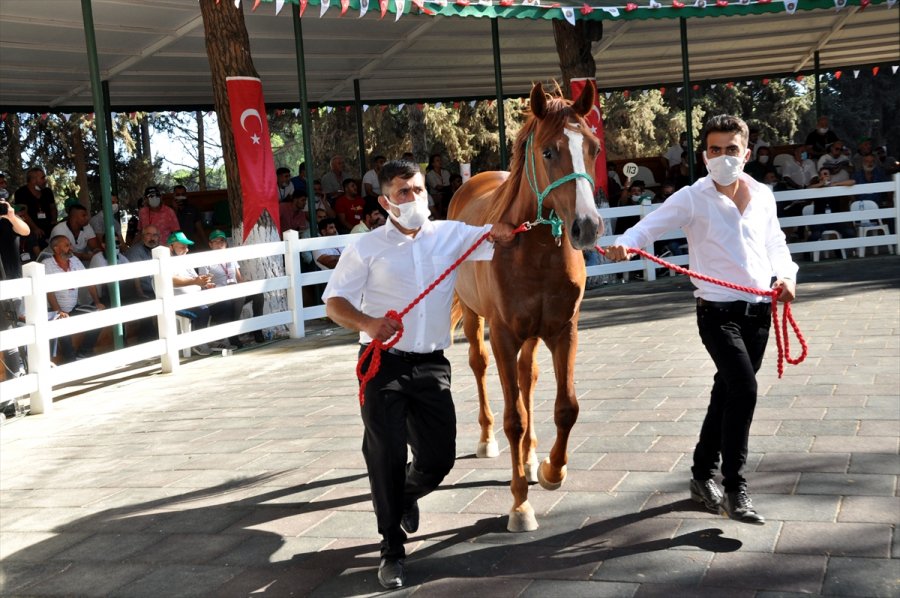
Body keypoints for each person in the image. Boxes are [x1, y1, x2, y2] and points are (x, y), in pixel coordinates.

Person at [322, 160, 514, 589]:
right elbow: (334, 303)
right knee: (386, 456)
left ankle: (404, 496)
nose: (413, 198)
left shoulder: (451, 236)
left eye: (419, 189)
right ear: (385, 200)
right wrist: (368, 323)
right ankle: (391, 549)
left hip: (431, 365)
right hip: (382, 365)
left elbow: (498, 234)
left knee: (438, 459)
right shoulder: (366, 247)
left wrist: (508, 230)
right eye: (403, 192)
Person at [605, 114, 798, 526]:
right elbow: (648, 227)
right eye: (715, 150)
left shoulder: (763, 194)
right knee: (743, 390)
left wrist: (786, 276)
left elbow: (775, 243)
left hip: (759, 313)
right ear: (704, 154)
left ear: (746, 153)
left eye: (731, 150)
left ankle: (700, 475)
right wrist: (624, 245)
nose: (723, 157)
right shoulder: (693, 197)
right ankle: (735, 487)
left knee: (725, 394)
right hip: (717, 314)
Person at [199, 230, 266, 348]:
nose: (219, 244)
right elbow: (204, 284)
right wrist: (215, 287)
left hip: (235, 291)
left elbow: (239, 278)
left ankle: (257, 329)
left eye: (222, 241)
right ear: (210, 244)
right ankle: (233, 335)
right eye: (215, 242)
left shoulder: (231, 257)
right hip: (219, 296)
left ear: (226, 243)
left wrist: (246, 283)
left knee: (258, 293)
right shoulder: (205, 260)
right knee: (239, 297)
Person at [44, 235, 105, 362]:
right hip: (52, 310)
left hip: (72, 307)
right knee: (61, 323)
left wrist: (97, 302)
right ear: (56, 248)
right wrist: (58, 311)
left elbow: (88, 281)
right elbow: (48, 292)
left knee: (99, 315)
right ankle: (69, 359)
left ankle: (84, 352)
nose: (70, 248)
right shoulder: (47, 264)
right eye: (67, 245)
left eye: (70, 244)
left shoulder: (75, 260)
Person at [165, 231, 213, 356]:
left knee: (223, 304)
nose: (186, 250)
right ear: (171, 247)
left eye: (187, 247)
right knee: (203, 309)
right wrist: (195, 281)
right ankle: (197, 343)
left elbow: (195, 279)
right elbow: (171, 279)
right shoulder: (166, 262)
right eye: (182, 247)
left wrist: (204, 283)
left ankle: (215, 339)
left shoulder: (185, 261)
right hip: (179, 303)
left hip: (195, 298)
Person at [0, 195, 30, 380]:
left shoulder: (8, 220)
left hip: (12, 282)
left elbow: (25, 231)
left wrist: (10, 216)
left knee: (13, 332)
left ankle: (16, 383)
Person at [124, 225, 161, 343]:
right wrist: (140, 293)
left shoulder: (160, 250)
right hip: (141, 291)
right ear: (142, 236)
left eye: (155, 235)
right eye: (148, 234)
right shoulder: (135, 251)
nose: (152, 238)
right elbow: (135, 277)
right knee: (148, 306)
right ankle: (147, 341)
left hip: (157, 289)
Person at [14, 167, 57, 254]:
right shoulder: (21, 192)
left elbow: (52, 208)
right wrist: (35, 228)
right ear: (33, 180)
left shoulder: (47, 192)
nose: (45, 180)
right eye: (42, 178)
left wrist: (54, 221)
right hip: (32, 229)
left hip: (48, 227)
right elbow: (23, 213)